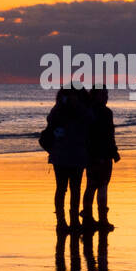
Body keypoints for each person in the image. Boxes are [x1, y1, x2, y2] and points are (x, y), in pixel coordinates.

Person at [44, 88, 92, 233]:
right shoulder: (59, 110)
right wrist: (62, 105)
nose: (73, 98)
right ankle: (61, 221)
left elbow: (90, 120)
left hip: (76, 154)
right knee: (62, 188)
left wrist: (78, 105)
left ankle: (74, 220)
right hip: (62, 154)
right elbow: (51, 121)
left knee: (74, 188)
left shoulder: (83, 109)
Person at [81, 87, 120, 231]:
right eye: (104, 94)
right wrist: (113, 152)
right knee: (102, 186)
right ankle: (101, 219)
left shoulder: (88, 111)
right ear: (96, 95)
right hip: (101, 154)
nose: (106, 97)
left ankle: (88, 217)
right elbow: (109, 136)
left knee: (91, 186)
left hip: (92, 154)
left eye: (107, 94)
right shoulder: (105, 112)